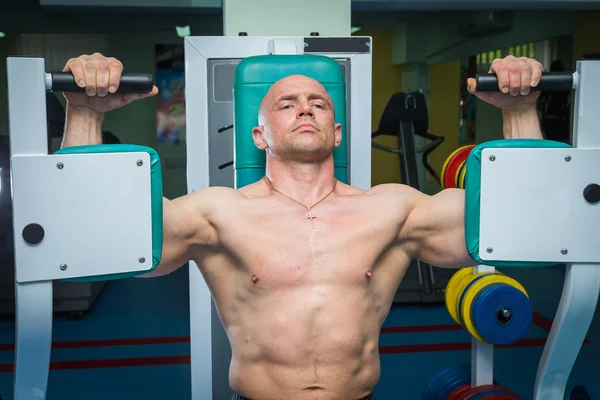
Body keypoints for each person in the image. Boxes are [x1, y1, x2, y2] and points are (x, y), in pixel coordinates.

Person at [60, 52, 544, 400]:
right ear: (260, 135)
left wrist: (519, 110)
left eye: (318, 101)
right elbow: (106, 241)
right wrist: (84, 112)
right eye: (286, 104)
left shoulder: (393, 209)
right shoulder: (218, 213)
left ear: (335, 132)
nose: (306, 106)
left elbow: (516, 225)